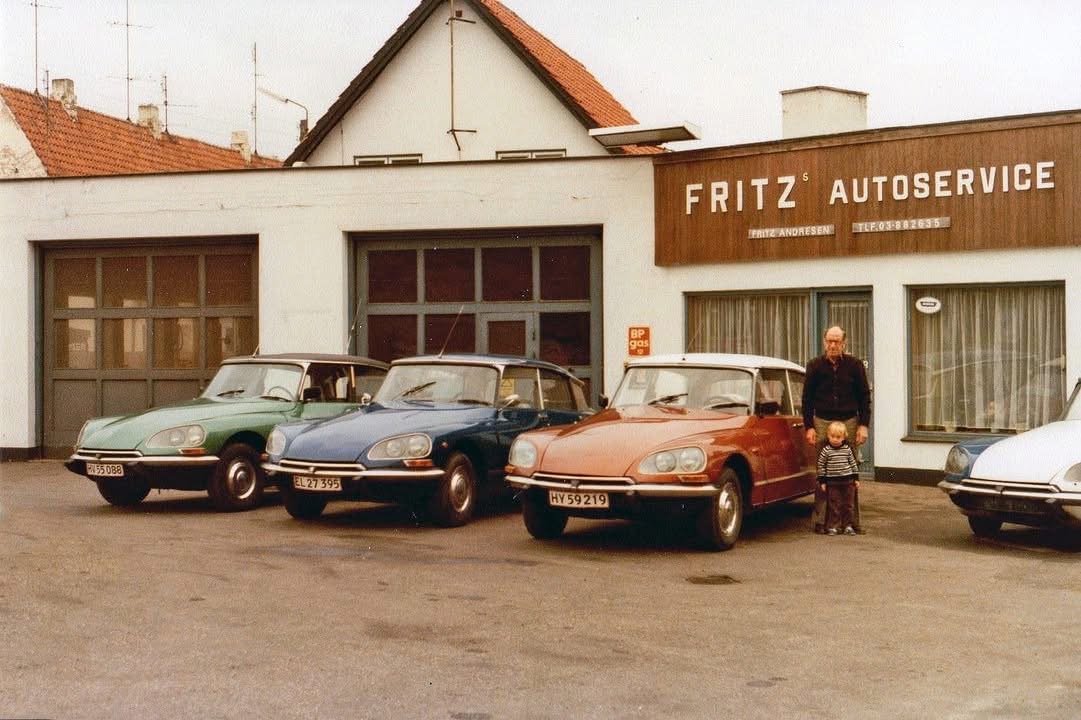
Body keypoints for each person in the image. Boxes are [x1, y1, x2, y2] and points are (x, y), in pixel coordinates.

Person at [802, 325, 872, 534]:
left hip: (849, 421)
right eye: (829, 341)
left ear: (844, 343)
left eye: (837, 341)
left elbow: (864, 397)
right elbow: (806, 399)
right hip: (822, 421)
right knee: (823, 471)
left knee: (849, 472)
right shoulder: (814, 366)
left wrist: (863, 425)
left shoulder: (855, 365)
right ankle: (822, 521)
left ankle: (851, 522)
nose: (833, 345)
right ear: (825, 342)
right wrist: (809, 427)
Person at [816, 421, 860, 535]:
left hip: (848, 482)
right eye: (832, 436)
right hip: (832, 483)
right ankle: (833, 526)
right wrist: (823, 481)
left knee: (848, 505)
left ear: (844, 437)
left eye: (838, 437)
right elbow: (821, 465)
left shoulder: (847, 449)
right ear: (828, 435)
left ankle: (848, 526)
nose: (835, 439)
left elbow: (853, 463)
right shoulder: (826, 450)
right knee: (834, 505)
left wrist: (856, 478)